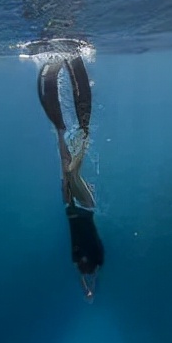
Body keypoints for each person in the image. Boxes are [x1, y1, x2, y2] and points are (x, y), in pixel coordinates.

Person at [36, 53, 104, 300]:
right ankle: (71, 63)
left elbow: (84, 276)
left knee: (64, 150)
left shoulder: (80, 262)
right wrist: (89, 288)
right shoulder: (95, 260)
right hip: (84, 208)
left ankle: (59, 67)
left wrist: (87, 289)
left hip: (72, 207)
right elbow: (90, 276)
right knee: (72, 166)